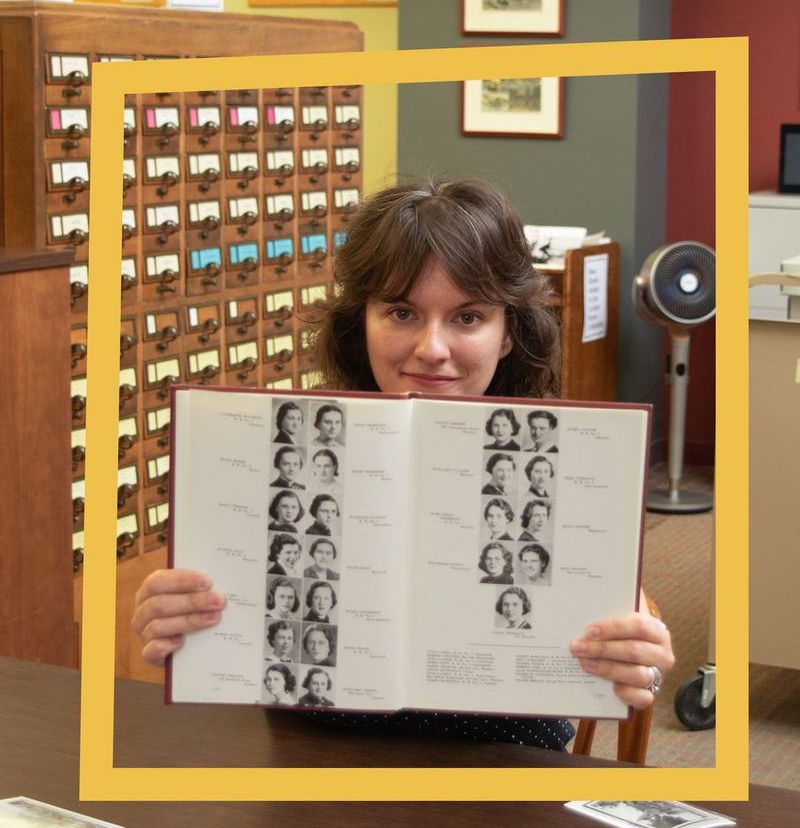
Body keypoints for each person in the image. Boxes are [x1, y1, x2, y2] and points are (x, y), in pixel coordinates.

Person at [133, 176, 674, 750]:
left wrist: (637, 652)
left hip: (508, 793)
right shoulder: (273, 458)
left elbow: (623, 640)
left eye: (467, 318)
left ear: (508, 334)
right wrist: (178, 618)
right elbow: (226, 631)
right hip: (311, 780)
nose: (432, 349)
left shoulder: (569, 468)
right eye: (401, 313)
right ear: (360, 323)